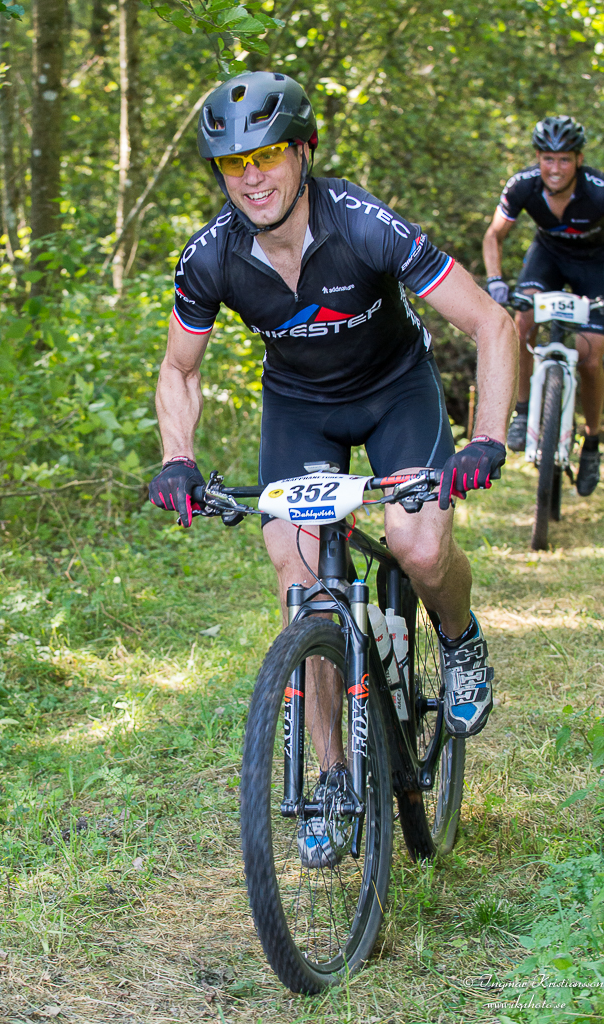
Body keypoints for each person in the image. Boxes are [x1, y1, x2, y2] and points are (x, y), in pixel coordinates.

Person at [148, 72, 517, 866]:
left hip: (396, 393)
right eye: (233, 162)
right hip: (300, 410)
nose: (252, 176)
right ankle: (331, 779)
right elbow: (179, 369)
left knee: (418, 547)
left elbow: (491, 323)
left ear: (304, 152)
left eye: (268, 154)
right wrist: (178, 457)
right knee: (302, 584)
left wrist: (486, 438)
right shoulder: (211, 257)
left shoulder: (363, 226)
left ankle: (459, 639)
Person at [483, 115, 604, 496]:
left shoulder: (598, 191)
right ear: (538, 158)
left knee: (590, 358)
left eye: (564, 159)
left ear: (578, 160)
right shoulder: (523, 185)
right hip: (548, 259)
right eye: (548, 158)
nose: (555, 168)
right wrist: (496, 280)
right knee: (521, 324)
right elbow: (494, 236)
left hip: (595, 266)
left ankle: (592, 442)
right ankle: (522, 412)